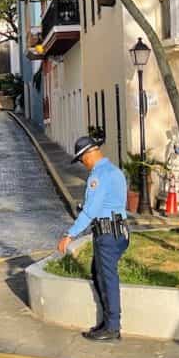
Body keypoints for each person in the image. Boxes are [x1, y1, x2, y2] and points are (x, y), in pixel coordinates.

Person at [56, 135, 129, 342]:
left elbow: (90, 211)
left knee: (107, 279)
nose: (82, 163)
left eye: (81, 159)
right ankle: (108, 322)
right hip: (117, 231)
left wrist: (69, 235)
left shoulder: (99, 176)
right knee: (99, 275)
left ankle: (113, 327)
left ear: (90, 154)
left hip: (107, 234)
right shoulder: (115, 171)